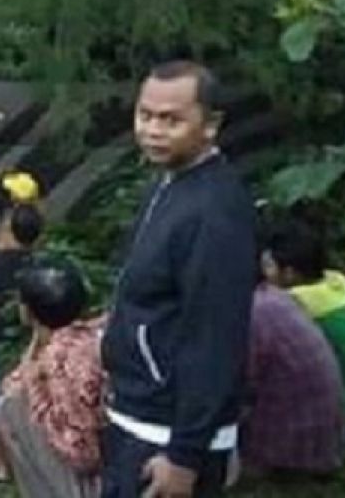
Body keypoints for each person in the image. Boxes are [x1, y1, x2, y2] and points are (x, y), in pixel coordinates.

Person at [101, 61, 258, 498]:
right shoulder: (170, 185)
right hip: (138, 414)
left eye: (171, 120)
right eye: (145, 115)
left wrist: (185, 455)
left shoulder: (214, 212)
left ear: (210, 125)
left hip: (167, 437)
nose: (153, 130)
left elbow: (215, 338)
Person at [0, 260, 104, 498]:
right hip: (117, 468)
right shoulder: (99, 339)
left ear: (26, 311)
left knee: (6, 407)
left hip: (72, 478)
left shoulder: (45, 369)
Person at [0, 178, 45, 482]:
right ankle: (27, 466)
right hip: (29, 345)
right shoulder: (40, 263)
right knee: (26, 407)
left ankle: (0, 464)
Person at [240, 274, 345, 478]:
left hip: (290, 455)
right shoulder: (275, 298)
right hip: (325, 443)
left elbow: (232, 385)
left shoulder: (251, 313)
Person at [263, 223, 345, 424]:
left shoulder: (297, 307)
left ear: (289, 273)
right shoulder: (335, 287)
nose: (263, 271)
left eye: (268, 265)